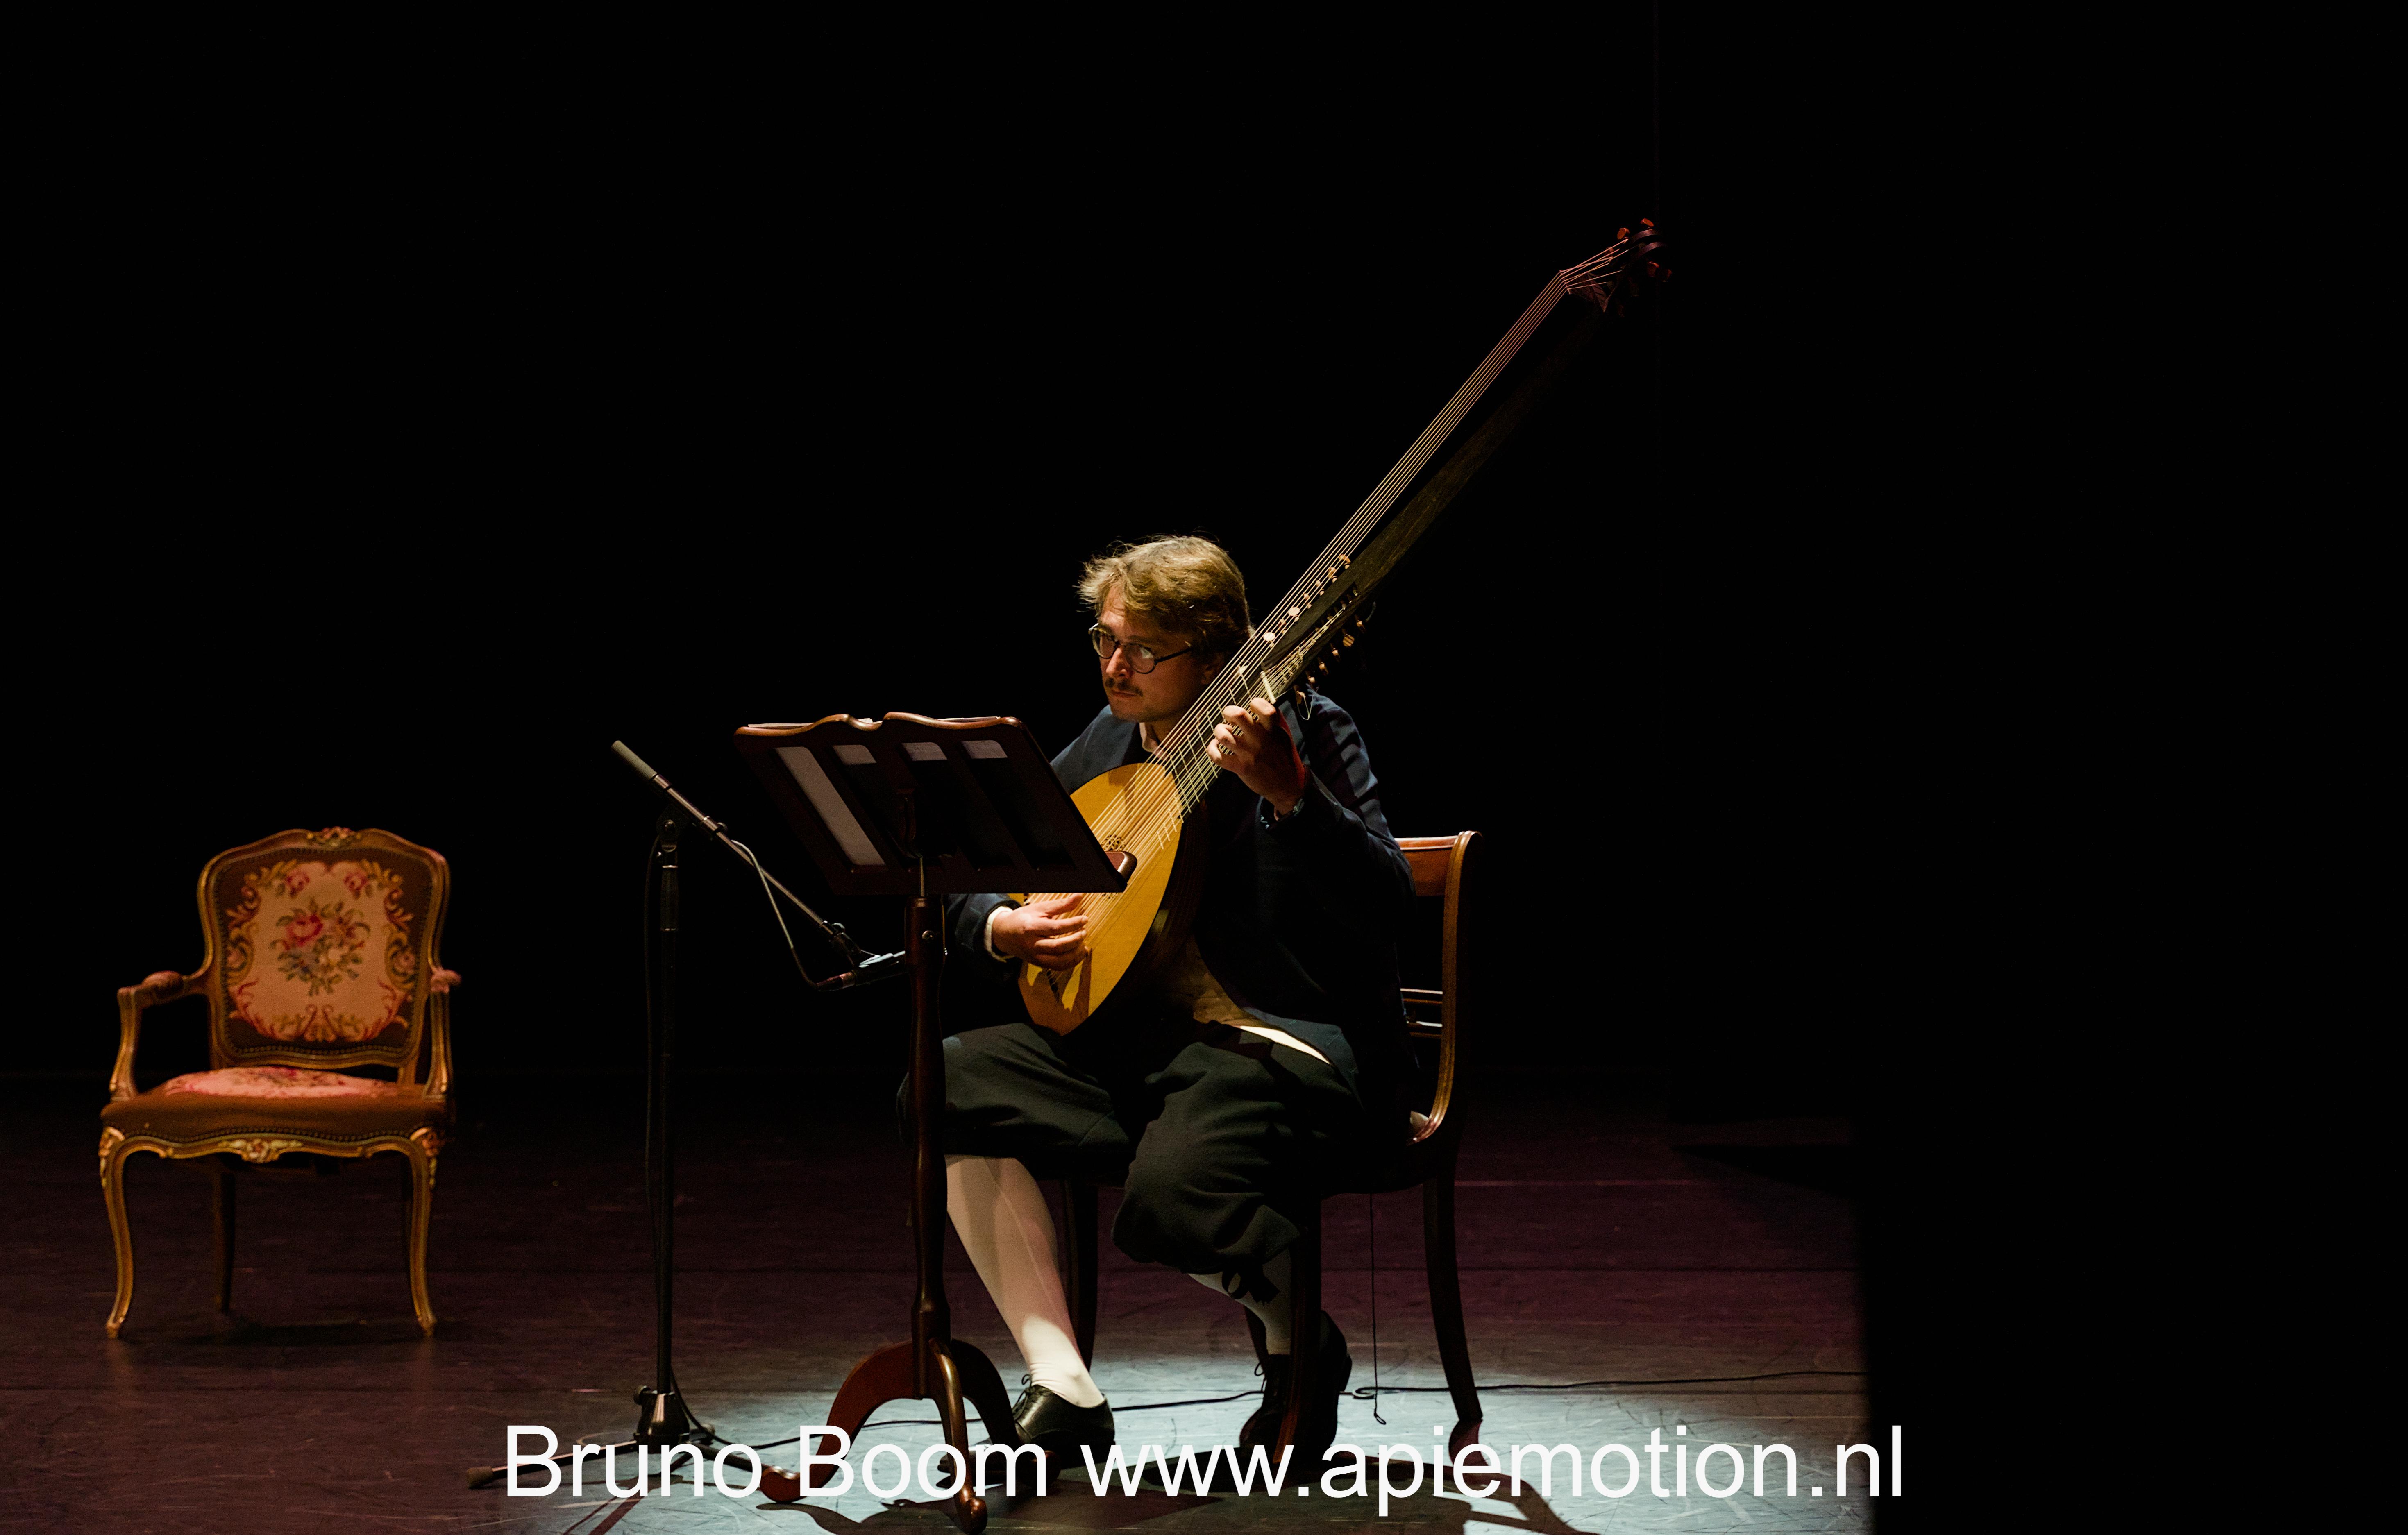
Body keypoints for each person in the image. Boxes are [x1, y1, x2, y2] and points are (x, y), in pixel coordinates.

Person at [923, 534, 1416, 1469]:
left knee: (1171, 1202)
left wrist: (1293, 798)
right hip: (1144, 1045)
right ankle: (1062, 1385)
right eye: (1105, 640)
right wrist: (1000, 925)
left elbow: (1388, 899)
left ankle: (1299, 1335)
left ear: (1217, 655)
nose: (1116, 666)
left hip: (1282, 1042)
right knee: (942, 1081)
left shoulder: (1304, 729)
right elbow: (980, 866)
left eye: (1143, 650)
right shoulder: (1109, 741)